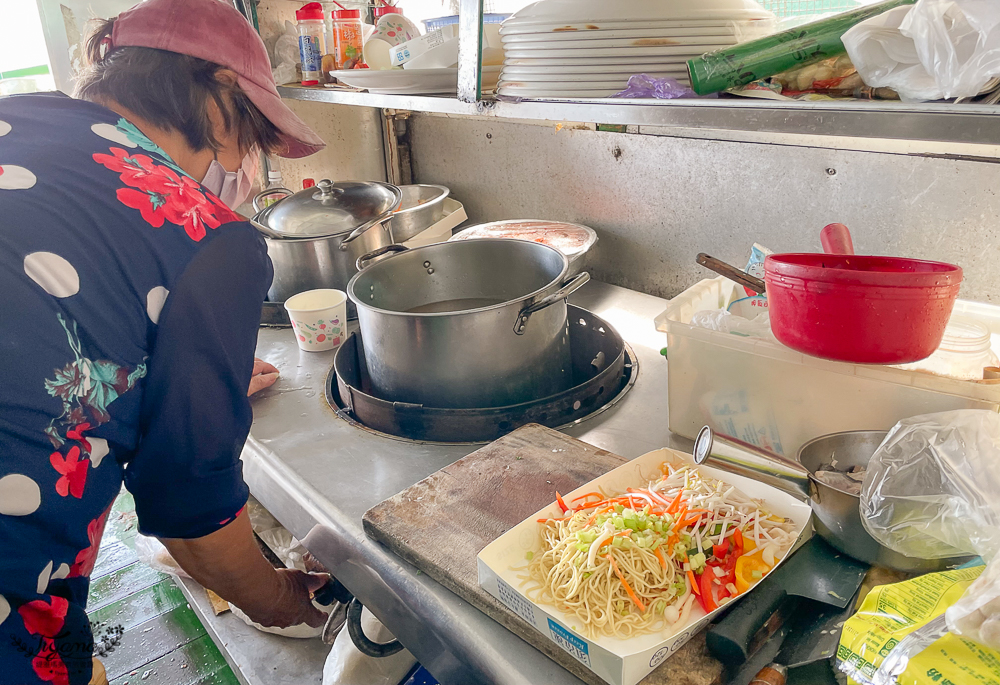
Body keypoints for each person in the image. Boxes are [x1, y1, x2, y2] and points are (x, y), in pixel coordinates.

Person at [0, 1, 331, 682]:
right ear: (216, 95)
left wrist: (154, 379)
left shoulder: (16, 119)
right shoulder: (201, 231)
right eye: (240, 135)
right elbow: (192, 515)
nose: (236, 160)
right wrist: (278, 598)